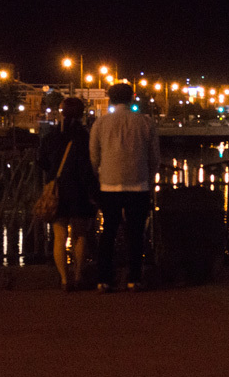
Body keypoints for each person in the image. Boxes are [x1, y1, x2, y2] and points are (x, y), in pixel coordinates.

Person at [89, 83, 160, 292]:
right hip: (138, 184)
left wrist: (98, 177)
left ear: (110, 99)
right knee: (136, 232)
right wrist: (150, 176)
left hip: (109, 184)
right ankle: (134, 278)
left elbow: (94, 157)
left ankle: (104, 279)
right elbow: (154, 156)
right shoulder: (146, 122)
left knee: (108, 231)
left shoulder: (100, 124)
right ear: (132, 99)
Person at [37, 97, 98, 291]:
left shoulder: (51, 136)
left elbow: (42, 161)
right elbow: (90, 164)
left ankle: (64, 279)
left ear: (61, 112)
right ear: (81, 113)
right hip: (79, 189)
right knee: (80, 234)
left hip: (58, 189)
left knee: (59, 235)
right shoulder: (84, 136)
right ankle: (79, 275)